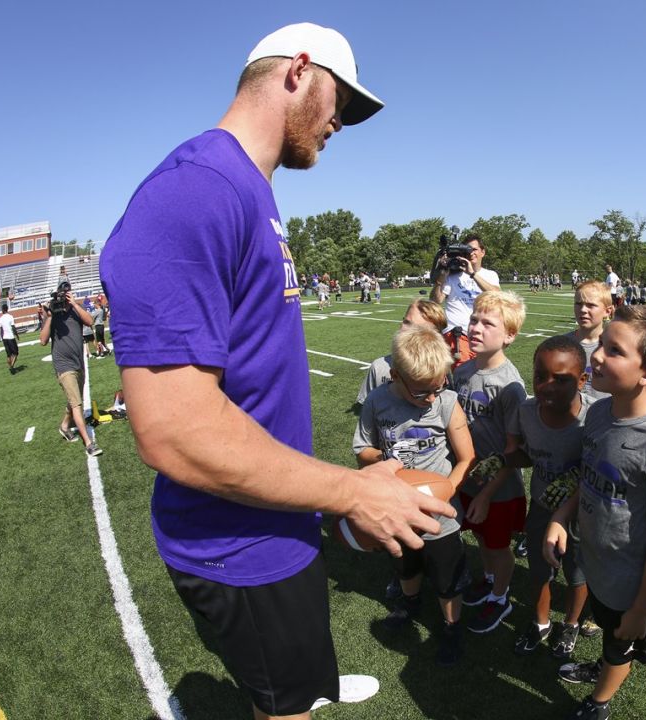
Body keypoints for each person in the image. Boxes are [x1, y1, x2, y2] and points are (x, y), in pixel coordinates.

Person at [99, 23, 454, 720]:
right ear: (298, 70)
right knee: (284, 708)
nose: (340, 124)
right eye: (340, 103)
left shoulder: (248, 187)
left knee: (297, 684)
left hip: (274, 523)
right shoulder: (195, 192)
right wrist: (351, 493)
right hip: (239, 546)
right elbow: (174, 431)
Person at [545, 305, 646, 720]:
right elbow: (585, 474)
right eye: (602, 344)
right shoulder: (598, 412)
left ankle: (599, 702)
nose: (598, 356)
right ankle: (607, 667)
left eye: (615, 350)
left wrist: (643, 607)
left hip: (635, 584)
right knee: (610, 632)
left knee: (621, 640)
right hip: (600, 566)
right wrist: (559, 518)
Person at [353, 326, 474, 666]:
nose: (432, 398)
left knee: (448, 574)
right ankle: (409, 603)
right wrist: (393, 466)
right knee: (406, 564)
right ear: (395, 376)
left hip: (438, 512)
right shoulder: (378, 401)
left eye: (439, 387)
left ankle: (452, 626)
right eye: (423, 393)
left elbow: (466, 457)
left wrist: (448, 488)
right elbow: (363, 449)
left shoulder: (446, 403)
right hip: (396, 506)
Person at [505, 335, 593, 659]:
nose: (547, 386)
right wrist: (503, 459)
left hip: (582, 515)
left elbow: (601, 471)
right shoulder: (527, 412)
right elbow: (527, 456)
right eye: (540, 376)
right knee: (539, 571)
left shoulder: (594, 420)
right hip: (541, 506)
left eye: (561, 379)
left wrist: (574, 481)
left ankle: (570, 623)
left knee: (577, 574)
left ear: (583, 380)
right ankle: (540, 622)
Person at [451, 290, 528, 635]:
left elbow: (513, 453)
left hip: (497, 490)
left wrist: (486, 494)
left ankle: (501, 597)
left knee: (498, 546)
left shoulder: (510, 386)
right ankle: (489, 579)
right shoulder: (464, 371)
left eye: (488, 323)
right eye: (474, 320)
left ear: (510, 336)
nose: (477, 328)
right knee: (481, 539)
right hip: (468, 479)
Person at [38, 280, 101, 457]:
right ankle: (89, 443)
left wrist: (74, 303)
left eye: (67, 294)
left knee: (74, 400)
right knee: (77, 404)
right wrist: (49, 317)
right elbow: (42, 341)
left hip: (78, 363)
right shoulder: (52, 314)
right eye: (61, 295)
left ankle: (65, 426)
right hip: (63, 365)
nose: (63, 298)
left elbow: (89, 322)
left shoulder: (75, 309)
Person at [356, 299, 447, 406]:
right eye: (406, 322)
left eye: (419, 329)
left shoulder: (442, 368)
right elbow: (368, 406)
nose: (407, 331)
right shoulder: (379, 367)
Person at [430, 232, 500, 367]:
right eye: (467, 250)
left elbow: (498, 295)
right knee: (463, 374)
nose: (471, 253)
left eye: (474, 249)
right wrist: (442, 275)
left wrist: (472, 274)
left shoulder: (490, 275)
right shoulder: (453, 275)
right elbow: (436, 301)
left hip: (484, 334)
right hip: (458, 333)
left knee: (483, 373)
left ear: (483, 252)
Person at [566, 280, 614, 405]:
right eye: (578, 304)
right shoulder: (562, 344)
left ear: (607, 311)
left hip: (603, 419)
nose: (582, 309)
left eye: (590, 305)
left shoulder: (615, 348)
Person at [0, 302, 19, 374]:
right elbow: (13, 327)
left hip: (5, 338)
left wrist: (2, 337)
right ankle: (11, 366)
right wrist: (17, 335)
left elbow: (1, 330)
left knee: (8, 355)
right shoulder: (10, 316)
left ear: (2, 310)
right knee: (16, 353)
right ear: (7, 309)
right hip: (10, 337)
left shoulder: (0, 319)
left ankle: (11, 367)